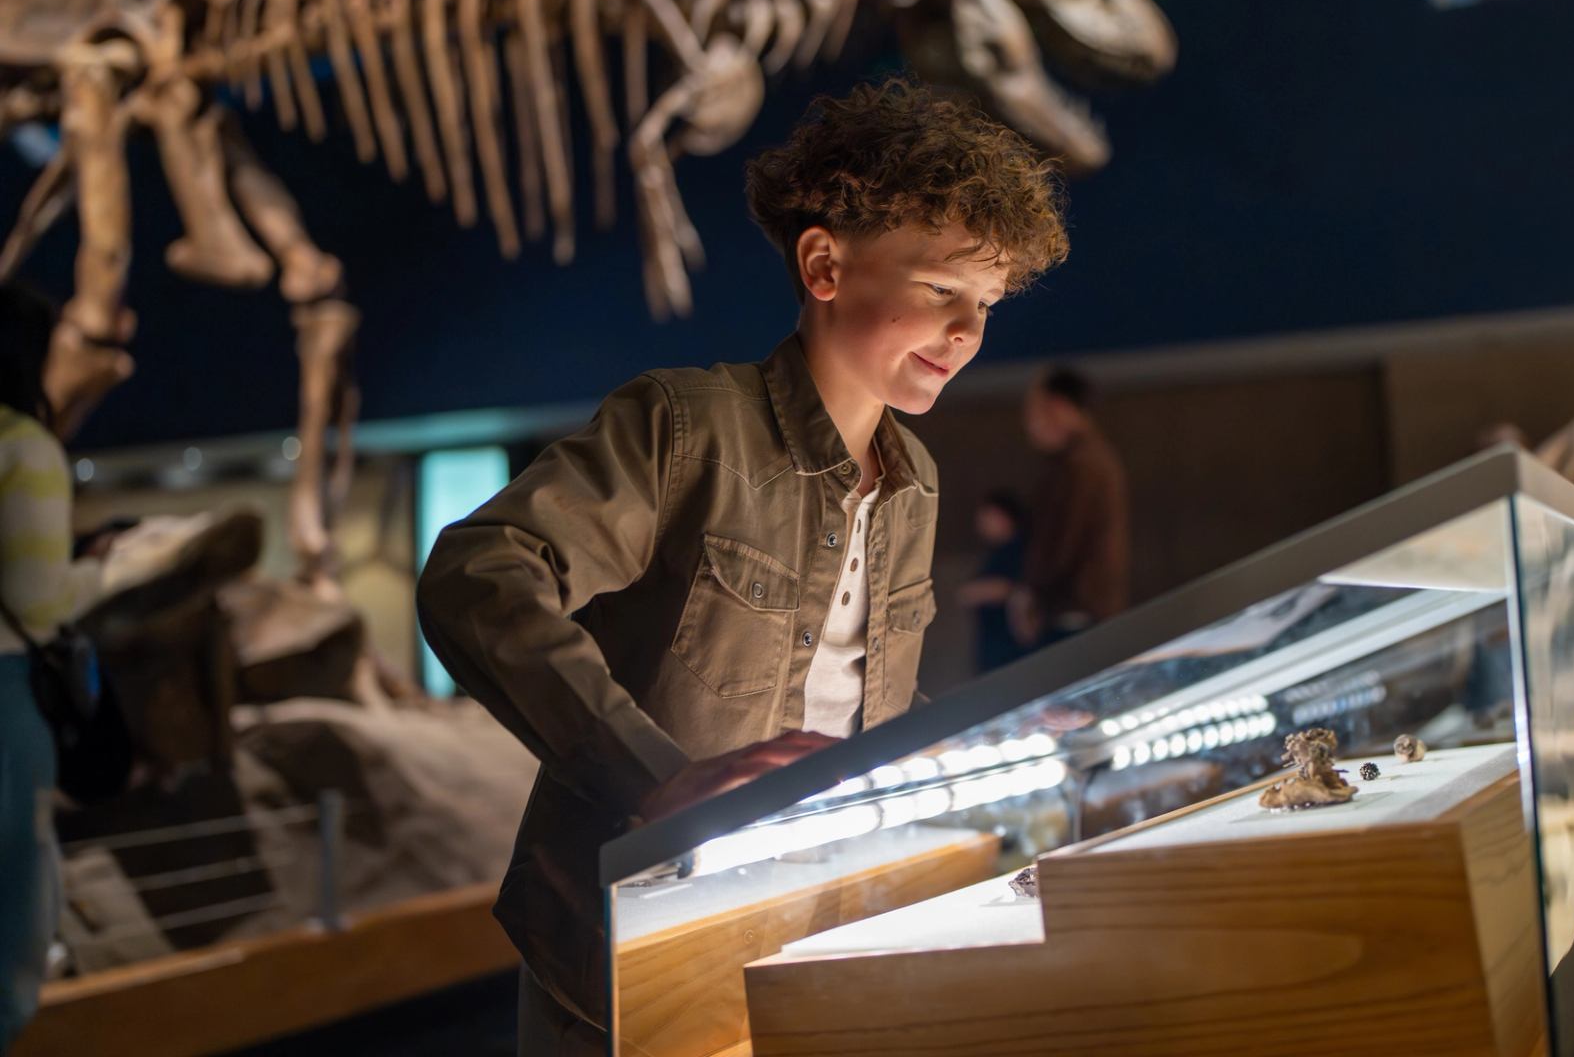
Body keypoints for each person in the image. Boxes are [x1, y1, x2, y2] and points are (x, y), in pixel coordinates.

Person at [416, 78, 1069, 1056]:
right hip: (621, 954)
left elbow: (867, 691)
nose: (969, 335)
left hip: (801, 934)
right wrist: (652, 778)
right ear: (824, 265)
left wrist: (992, 750)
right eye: (942, 291)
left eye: (986, 304)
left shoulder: (916, 480)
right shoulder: (686, 423)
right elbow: (479, 572)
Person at [0, 282, 100, 1053]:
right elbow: (37, 600)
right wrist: (106, 573)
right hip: (4, 703)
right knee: (13, 901)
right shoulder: (24, 444)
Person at [1014, 366, 1129, 649]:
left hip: (1074, 618)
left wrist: (1027, 593)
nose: (1030, 424)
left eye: (1035, 411)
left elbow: (1059, 540)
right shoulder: (1090, 460)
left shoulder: (1080, 465)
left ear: (1059, 407)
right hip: (1084, 615)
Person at [959, 490, 1027, 674]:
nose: (980, 524)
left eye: (987, 517)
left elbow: (1015, 589)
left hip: (1011, 652)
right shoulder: (996, 554)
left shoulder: (1018, 550)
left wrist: (976, 592)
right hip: (995, 652)